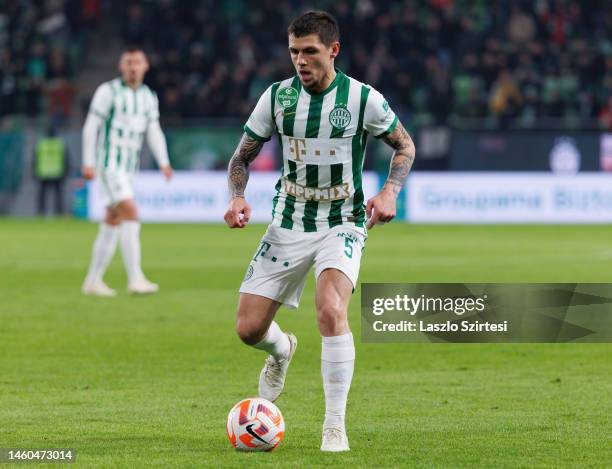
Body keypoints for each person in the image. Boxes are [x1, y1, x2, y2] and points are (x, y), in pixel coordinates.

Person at [224, 11, 416, 452]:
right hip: (288, 221)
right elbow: (241, 159)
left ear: (333, 50)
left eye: (309, 51)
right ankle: (281, 351)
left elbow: (404, 144)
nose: (300, 61)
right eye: (294, 52)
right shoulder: (276, 98)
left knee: (331, 309)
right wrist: (236, 196)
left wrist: (390, 191)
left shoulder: (362, 99)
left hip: (343, 221)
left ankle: (334, 426)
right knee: (248, 330)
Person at [81, 46, 173, 297]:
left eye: (137, 62)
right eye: (128, 62)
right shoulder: (107, 91)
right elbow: (92, 126)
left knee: (113, 220)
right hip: (109, 165)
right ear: (121, 66)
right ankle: (136, 278)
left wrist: (163, 161)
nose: (133, 67)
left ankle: (93, 280)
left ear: (145, 66)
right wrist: (88, 161)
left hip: (129, 169)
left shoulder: (148, 96)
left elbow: (153, 131)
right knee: (131, 212)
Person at [34, 126, 69, 216]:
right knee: (58, 195)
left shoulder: (41, 144)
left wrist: (34, 172)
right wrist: (66, 172)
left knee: (42, 196)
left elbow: (35, 159)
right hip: (57, 173)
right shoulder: (60, 144)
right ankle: (59, 213)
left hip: (43, 173)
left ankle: (41, 213)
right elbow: (66, 159)